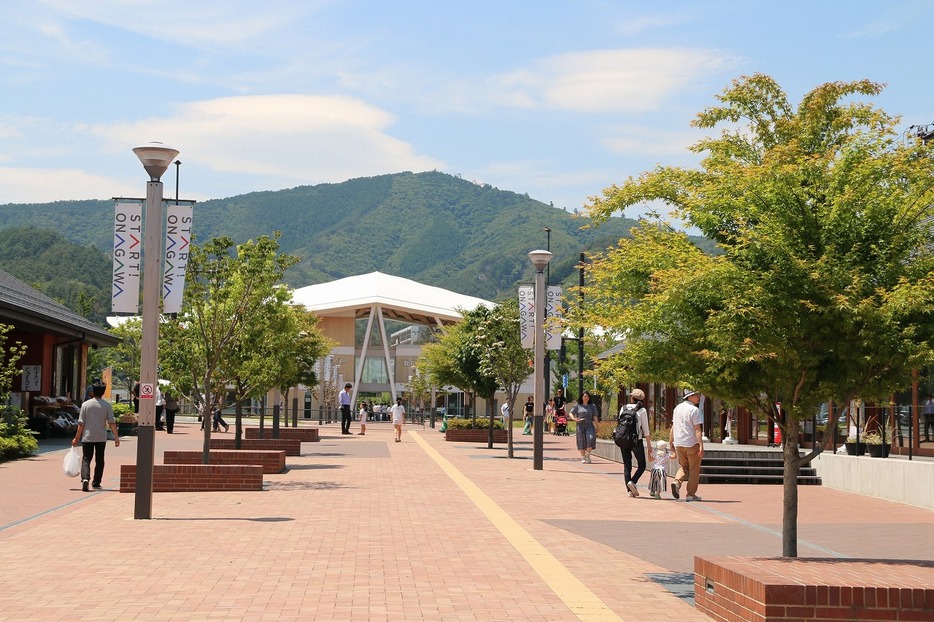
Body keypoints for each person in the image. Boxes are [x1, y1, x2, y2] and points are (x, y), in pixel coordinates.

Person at [72, 381, 119, 492]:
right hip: (101, 437)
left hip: (87, 437)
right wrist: (116, 437)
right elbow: (112, 422)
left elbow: (81, 423)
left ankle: (85, 479)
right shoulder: (107, 405)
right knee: (100, 460)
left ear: (92, 392)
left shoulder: (85, 405)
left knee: (86, 459)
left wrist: (76, 438)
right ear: (103, 392)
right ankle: (96, 482)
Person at [669, 389, 704, 501]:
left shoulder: (677, 408)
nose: (698, 397)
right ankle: (690, 494)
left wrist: (671, 442)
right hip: (691, 443)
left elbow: (673, 426)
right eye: (696, 395)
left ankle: (677, 482)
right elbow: (697, 429)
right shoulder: (694, 410)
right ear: (690, 396)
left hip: (679, 442)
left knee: (683, 466)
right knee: (694, 469)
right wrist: (701, 445)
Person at [620, 389, 653, 497]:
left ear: (631, 397)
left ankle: (629, 490)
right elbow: (646, 429)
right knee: (642, 465)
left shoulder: (623, 408)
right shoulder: (642, 410)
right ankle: (633, 482)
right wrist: (649, 445)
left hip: (623, 439)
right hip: (636, 440)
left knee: (627, 465)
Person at [570, 390, 598, 463]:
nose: (586, 398)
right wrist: (574, 419)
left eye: (587, 396)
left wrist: (597, 426)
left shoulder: (592, 406)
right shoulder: (578, 405)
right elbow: (571, 413)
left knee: (591, 438)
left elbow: (595, 416)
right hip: (580, 425)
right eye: (585, 396)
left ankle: (588, 455)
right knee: (581, 441)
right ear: (582, 397)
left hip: (589, 425)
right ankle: (583, 457)